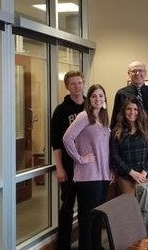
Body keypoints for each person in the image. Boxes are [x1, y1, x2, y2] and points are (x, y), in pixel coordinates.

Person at [63, 84, 113, 250]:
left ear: (105, 98)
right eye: (94, 96)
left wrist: (110, 169)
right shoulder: (84, 116)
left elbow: (105, 148)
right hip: (88, 175)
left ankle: (96, 246)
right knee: (87, 216)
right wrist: (80, 158)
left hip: (103, 175)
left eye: (101, 95)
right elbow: (67, 138)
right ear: (89, 99)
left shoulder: (103, 118)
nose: (98, 99)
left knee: (97, 214)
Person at [50, 70, 85, 250]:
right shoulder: (61, 110)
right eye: (73, 84)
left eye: (79, 83)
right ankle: (63, 244)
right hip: (69, 167)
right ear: (67, 86)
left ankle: (86, 244)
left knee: (87, 208)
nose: (77, 86)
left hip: (88, 168)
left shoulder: (93, 106)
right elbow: (56, 142)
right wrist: (60, 168)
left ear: (84, 83)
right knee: (67, 207)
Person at [110, 97, 148, 194]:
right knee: (129, 208)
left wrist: (143, 173)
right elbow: (115, 156)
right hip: (125, 178)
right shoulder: (116, 131)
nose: (132, 112)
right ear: (124, 111)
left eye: (135, 109)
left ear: (140, 111)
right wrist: (131, 172)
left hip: (144, 176)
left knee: (146, 208)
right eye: (129, 109)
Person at [110, 60, 148, 128]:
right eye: (134, 71)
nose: (137, 73)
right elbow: (115, 119)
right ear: (129, 73)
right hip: (128, 134)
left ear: (145, 73)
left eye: (140, 70)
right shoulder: (121, 93)